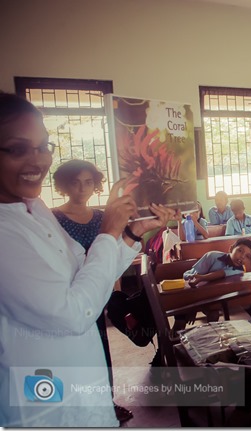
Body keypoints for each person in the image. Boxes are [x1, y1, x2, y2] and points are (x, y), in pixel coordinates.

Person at [0, 92, 176, 427]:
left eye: (43, 146)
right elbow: (73, 313)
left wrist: (131, 234)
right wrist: (109, 231)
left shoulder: (32, 208)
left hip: (80, 381)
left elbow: (85, 269)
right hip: (45, 402)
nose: (37, 160)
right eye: (19, 148)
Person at [52, 159, 133, 422]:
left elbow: (113, 257)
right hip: (72, 295)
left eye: (88, 182)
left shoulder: (102, 217)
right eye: (75, 183)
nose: (82, 188)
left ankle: (107, 402)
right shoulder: (54, 219)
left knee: (102, 349)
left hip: (99, 293)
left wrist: (114, 291)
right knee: (75, 353)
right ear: (64, 186)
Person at [177, 238, 251, 331]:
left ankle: (209, 336)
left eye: (247, 256)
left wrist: (202, 278)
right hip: (189, 291)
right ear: (231, 249)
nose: (242, 256)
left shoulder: (238, 271)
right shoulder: (212, 256)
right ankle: (174, 336)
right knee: (181, 319)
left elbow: (220, 273)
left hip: (209, 298)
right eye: (240, 250)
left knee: (214, 313)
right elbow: (194, 279)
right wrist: (193, 309)